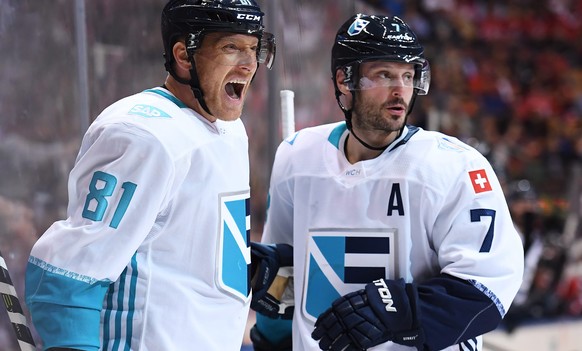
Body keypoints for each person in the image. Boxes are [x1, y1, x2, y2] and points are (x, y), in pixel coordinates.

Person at [249, 13, 523, 351]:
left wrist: (402, 310)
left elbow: (489, 286)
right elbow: (284, 281)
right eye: (384, 75)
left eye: (408, 76)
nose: (400, 90)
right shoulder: (296, 157)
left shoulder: (455, 166)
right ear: (344, 80)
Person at [24, 0, 275, 350]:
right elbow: (67, 277)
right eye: (231, 47)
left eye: (254, 49)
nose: (249, 65)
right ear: (184, 56)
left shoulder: (230, 130)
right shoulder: (141, 134)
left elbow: (173, 246)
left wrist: (241, 260)